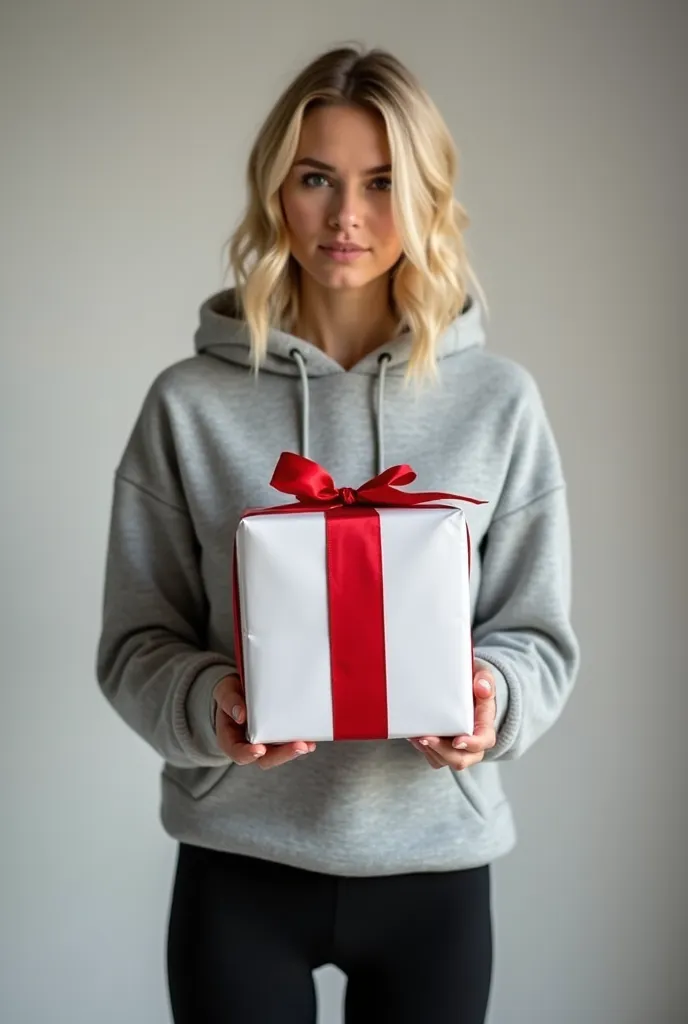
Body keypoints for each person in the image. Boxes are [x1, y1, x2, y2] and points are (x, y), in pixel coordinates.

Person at [97, 45, 579, 1024]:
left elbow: (537, 634)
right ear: (278, 188)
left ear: (428, 197)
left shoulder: (499, 402)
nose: (347, 215)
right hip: (238, 863)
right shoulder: (187, 403)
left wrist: (493, 702)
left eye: (383, 182)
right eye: (317, 177)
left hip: (434, 871)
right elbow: (134, 644)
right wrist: (209, 704)